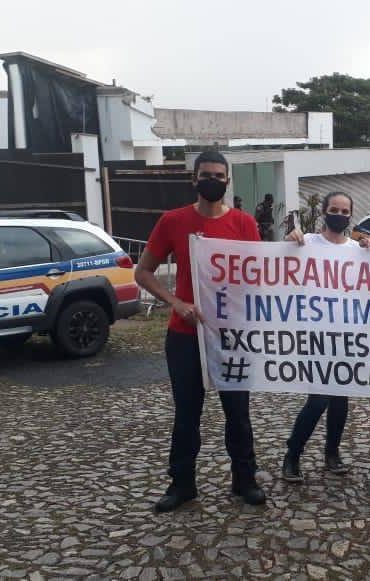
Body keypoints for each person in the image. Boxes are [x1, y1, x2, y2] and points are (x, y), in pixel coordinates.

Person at [135, 150, 266, 510]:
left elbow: (262, 273)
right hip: (185, 335)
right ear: (194, 180)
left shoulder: (244, 224)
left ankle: (245, 479)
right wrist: (175, 302)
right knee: (187, 413)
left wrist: (297, 250)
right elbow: (142, 272)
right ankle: (182, 484)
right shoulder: (173, 221)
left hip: (232, 336)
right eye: (206, 174)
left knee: (237, 412)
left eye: (219, 175)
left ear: (227, 180)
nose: (213, 180)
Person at [280, 191, 369, 482]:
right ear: (323, 211)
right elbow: (276, 266)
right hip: (316, 336)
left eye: (345, 211)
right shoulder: (306, 242)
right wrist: (288, 241)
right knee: (318, 400)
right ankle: (292, 454)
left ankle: (332, 452)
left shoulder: (358, 248)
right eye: (334, 209)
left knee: (341, 400)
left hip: (346, 335)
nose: (340, 215)